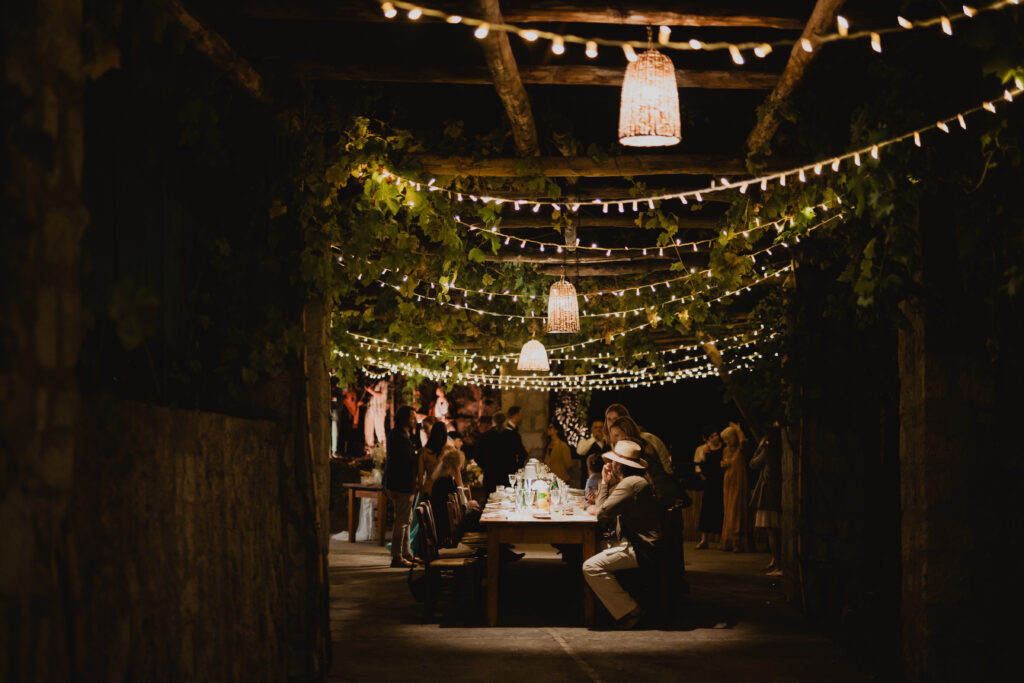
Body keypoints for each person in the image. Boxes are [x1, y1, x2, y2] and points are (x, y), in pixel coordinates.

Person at [582, 440, 661, 630]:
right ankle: (606, 607)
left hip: (643, 548)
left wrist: (604, 483)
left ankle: (630, 610)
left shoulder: (630, 483)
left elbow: (601, 513)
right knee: (596, 547)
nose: (611, 464)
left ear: (619, 465)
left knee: (590, 566)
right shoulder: (637, 480)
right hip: (639, 543)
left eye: (614, 461)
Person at [606, 414, 680, 507]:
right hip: (660, 498)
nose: (613, 440)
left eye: (616, 435)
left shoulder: (638, 451)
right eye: (612, 436)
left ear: (627, 432)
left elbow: (627, 484)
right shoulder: (638, 447)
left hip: (661, 499)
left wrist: (605, 491)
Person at [383, 405, 420, 568]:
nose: (415, 420)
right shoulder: (398, 436)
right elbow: (405, 459)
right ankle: (397, 556)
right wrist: (419, 455)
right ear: (405, 418)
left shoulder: (401, 435)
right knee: (402, 520)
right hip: (401, 483)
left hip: (402, 483)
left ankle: (406, 552)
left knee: (407, 519)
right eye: (412, 417)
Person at [429, 446, 480, 544]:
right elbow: (451, 509)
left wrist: (467, 504)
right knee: (481, 520)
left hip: (450, 524)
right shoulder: (445, 482)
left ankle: (499, 550)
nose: (461, 469)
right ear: (454, 466)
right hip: (447, 528)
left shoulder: (444, 479)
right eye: (459, 467)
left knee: (478, 515)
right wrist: (467, 505)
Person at [604, 404, 673, 476]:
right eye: (609, 419)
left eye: (615, 419)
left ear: (625, 421)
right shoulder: (613, 443)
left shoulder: (645, 441)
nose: (612, 423)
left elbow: (663, 467)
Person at [751, 424, 783, 573]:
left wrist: (759, 447)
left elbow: (753, 464)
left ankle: (778, 564)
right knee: (776, 530)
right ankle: (775, 560)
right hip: (776, 493)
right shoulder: (781, 451)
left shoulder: (768, 451)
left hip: (768, 494)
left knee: (772, 531)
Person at [720, 423, 750, 553]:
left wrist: (738, 429)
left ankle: (738, 541)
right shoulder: (725, 450)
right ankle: (728, 541)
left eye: (727, 438)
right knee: (729, 508)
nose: (725, 442)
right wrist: (723, 464)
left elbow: (743, 441)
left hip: (739, 481)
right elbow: (723, 462)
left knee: (737, 508)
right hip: (728, 481)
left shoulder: (740, 448)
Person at [475, 412, 523, 494]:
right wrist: (516, 467)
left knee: (490, 501)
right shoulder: (514, 435)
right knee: (509, 500)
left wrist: (486, 466)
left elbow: (477, 457)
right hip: (508, 475)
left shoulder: (484, 437)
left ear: (493, 422)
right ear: (505, 421)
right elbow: (523, 454)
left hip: (490, 475)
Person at [694, 426, 725, 549]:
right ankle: (704, 539)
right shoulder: (704, 450)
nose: (716, 437)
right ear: (707, 439)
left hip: (721, 481)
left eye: (716, 434)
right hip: (710, 482)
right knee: (706, 509)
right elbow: (700, 466)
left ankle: (722, 539)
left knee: (721, 509)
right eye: (712, 436)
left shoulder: (724, 448)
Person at [418, 421, 448, 497]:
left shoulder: (424, 451)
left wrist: (421, 490)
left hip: (429, 488)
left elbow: (420, 474)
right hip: (445, 488)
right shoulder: (448, 450)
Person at [575, 420, 608, 487]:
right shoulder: (585, 440)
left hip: (604, 478)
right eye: (596, 427)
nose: (598, 430)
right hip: (588, 477)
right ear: (592, 429)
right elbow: (580, 451)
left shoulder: (607, 441)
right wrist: (593, 439)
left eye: (600, 427)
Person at [364, 378, 388, 448]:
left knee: (379, 430)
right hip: (370, 408)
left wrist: (369, 390)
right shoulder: (372, 382)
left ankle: (384, 450)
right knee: (368, 429)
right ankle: (369, 449)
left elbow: (380, 394)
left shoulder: (383, 382)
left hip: (379, 410)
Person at [329, 376, 342, 457]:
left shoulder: (338, 391)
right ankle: (330, 451)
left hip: (335, 412)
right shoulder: (327, 390)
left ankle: (334, 451)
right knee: (329, 431)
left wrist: (334, 399)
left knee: (334, 432)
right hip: (329, 411)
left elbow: (339, 402)